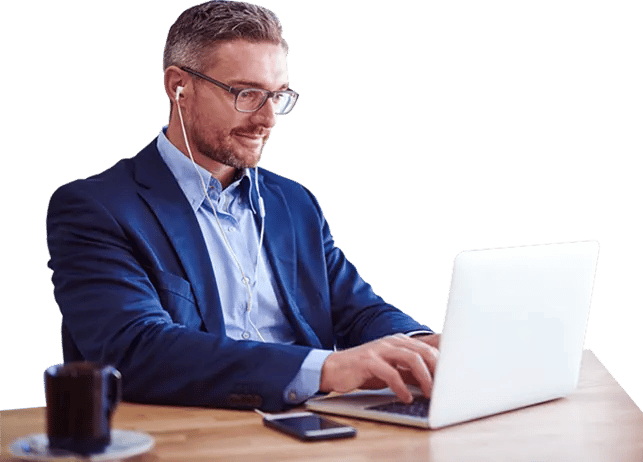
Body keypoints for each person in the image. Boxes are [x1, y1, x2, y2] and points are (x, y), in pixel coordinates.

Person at [46, 0, 440, 412]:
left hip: (313, 424)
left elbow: (357, 310)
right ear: (178, 85)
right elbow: (135, 349)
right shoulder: (95, 208)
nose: (268, 118)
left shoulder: (294, 202)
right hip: (192, 432)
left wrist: (418, 346)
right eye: (247, 94)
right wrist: (325, 369)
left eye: (279, 95)